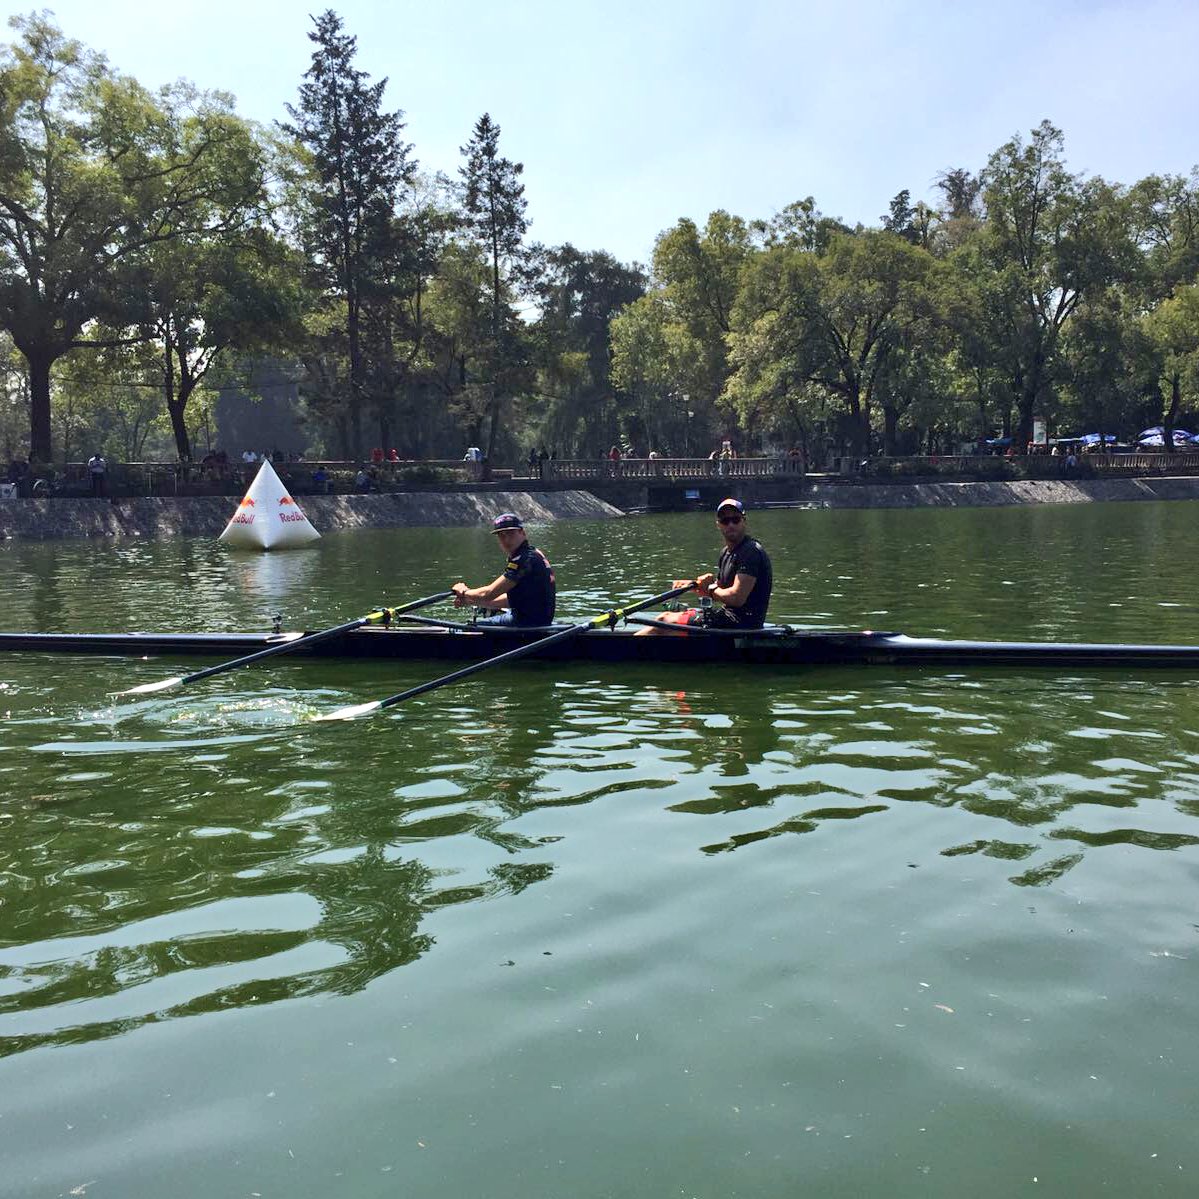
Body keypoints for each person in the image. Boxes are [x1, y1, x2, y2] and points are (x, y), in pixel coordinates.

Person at [637, 498, 773, 634]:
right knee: (670, 616)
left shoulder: (751, 551)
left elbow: (736, 598)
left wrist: (709, 588)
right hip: (728, 619)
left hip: (743, 625)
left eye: (735, 520)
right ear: (718, 525)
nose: (730, 525)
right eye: (725, 521)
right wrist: (692, 585)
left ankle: (621, 652)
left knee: (663, 619)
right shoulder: (726, 553)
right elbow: (719, 591)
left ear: (744, 521)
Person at [451, 513, 556, 627]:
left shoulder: (523, 559)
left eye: (510, 534)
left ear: (523, 533)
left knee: (471, 627)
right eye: (501, 535)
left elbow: (488, 593)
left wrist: (464, 592)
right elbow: (512, 599)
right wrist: (471, 600)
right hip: (538, 620)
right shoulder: (534, 553)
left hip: (526, 624)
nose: (506, 539)